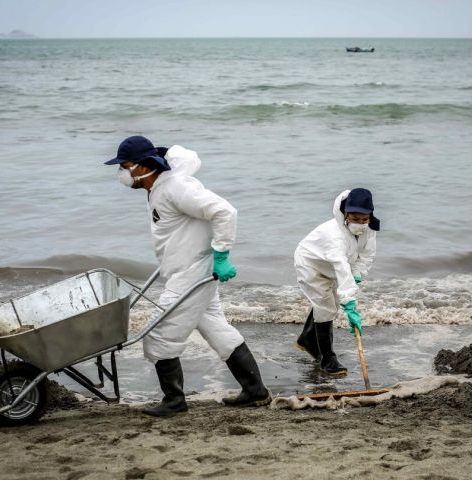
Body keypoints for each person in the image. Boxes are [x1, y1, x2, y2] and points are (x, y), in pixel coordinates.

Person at [105, 135, 271, 417]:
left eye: (126, 165)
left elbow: (224, 211)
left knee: (158, 334)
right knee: (218, 330)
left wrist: (221, 255)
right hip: (185, 271)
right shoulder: (157, 187)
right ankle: (256, 391)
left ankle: (174, 401)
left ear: (145, 166)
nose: (121, 172)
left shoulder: (176, 187)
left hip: (192, 274)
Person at [294, 188, 379, 374]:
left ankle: (307, 339)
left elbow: (366, 255)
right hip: (311, 264)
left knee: (328, 303)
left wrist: (357, 274)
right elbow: (341, 266)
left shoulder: (369, 229)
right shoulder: (334, 235)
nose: (361, 224)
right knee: (326, 307)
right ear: (346, 214)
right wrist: (350, 303)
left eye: (365, 219)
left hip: (331, 267)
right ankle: (327, 359)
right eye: (356, 219)